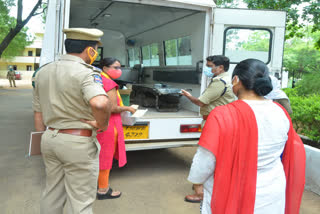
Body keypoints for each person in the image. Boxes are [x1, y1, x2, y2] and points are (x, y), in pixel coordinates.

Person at [187, 59, 306, 214]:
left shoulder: (222, 115)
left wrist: (197, 181)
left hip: (234, 188)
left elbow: (206, 158)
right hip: (272, 187)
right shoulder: (280, 111)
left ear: (236, 80)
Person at [33, 28, 112, 214]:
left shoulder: (42, 72)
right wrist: (102, 124)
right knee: (80, 201)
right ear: (91, 50)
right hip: (77, 142)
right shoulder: (87, 73)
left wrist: (40, 142)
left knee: (52, 193)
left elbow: (38, 113)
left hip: (49, 138)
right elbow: (100, 103)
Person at [181, 55, 235, 203]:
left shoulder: (219, 82)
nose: (208, 69)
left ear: (220, 67)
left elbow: (200, 102)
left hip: (213, 123)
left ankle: (199, 192)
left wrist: (188, 96)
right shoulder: (230, 80)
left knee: (203, 155)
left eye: (210, 66)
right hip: (223, 122)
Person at [96, 57, 136, 200]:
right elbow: (112, 108)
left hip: (99, 123)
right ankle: (103, 190)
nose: (119, 71)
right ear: (105, 68)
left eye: (120, 67)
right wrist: (128, 108)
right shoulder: (109, 83)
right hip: (109, 124)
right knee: (105, 157)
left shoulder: (97, 79)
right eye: (115, 67)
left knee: (99, 155)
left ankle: (99, 184)